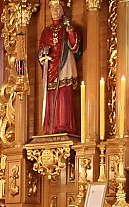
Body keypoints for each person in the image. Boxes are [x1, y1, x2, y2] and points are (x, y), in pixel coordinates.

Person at [38, 0, 81, 135]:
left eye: (58, 8)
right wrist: (43, 56)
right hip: (50, 66)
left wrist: (70, 31)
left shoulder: (67, 28)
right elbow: (41, 49)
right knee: (51, 95)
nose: (55, 11)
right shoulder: (45, 32)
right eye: (52, 8)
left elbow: (75, 46)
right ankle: (51, 127)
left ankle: (64, 125)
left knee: (64, 94)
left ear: (63, 10)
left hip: (64, 63)